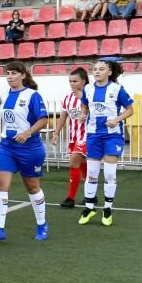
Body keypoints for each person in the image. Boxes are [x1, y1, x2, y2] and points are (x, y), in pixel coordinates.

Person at [0, 61, 49, 242]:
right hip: (7, 146)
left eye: (13, 73)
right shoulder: (3, 96)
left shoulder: (32, 95)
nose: (10, 76)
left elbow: (43, 119)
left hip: (30, 147)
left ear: (23, 75)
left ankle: (42, 224)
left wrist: (27, 133)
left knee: (32, 187)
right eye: (7, 73)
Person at [78, 58, 134, 227]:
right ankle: (89, 207)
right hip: (93, 135)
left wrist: (117, 119)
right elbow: (84, 105)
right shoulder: (87, 88)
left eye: (101, 69)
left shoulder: (117, 89)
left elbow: (130, 110)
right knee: (92, 173)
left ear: (109, 72)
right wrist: (82, 114)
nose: (97, 72)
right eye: (95, 69)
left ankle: (108, 208)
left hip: (112, 136)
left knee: (109, 174)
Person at [51, 67, 90, 208]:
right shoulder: (67, 98)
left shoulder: (90, 96)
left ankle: (70, 198)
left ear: (83, 81)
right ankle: (91, 195)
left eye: (75, 81)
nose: (72, 84)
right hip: (74, 136)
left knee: (73, 162)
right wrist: (56, 132)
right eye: (70, 81)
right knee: (82, 164)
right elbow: (63, 117)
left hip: (87, 136)